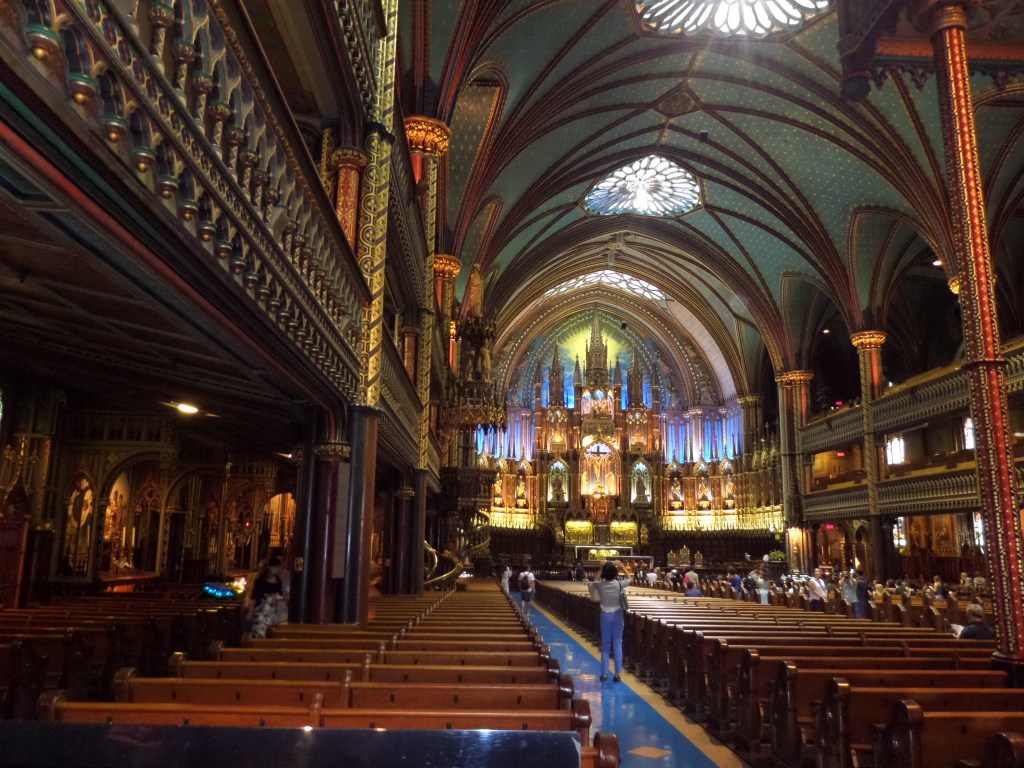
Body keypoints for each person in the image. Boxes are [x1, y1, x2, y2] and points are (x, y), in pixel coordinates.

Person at [588, 561, 627, 682]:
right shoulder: (620, 584)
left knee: (605, 645)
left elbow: (595, 580)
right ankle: (617, 674)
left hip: (605, 615)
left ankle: (604, 673)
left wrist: (601, 568)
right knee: (617, 644)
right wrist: (622, 567)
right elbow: (631, 578)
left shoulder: (600, 585)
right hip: (617, 616)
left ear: (604, 573)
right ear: (616, 573)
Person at [245, 556, 285, 639]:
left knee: (270, 633)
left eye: (278, 567)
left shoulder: (278, 580)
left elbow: (279, 594)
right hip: (261, 611)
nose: (277, 569)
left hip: (273, 612)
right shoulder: (261, 580)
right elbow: (254, 596)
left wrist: (280, 598)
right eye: (275, 567)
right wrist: (251, 610)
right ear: (270, 567)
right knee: (259, 632)